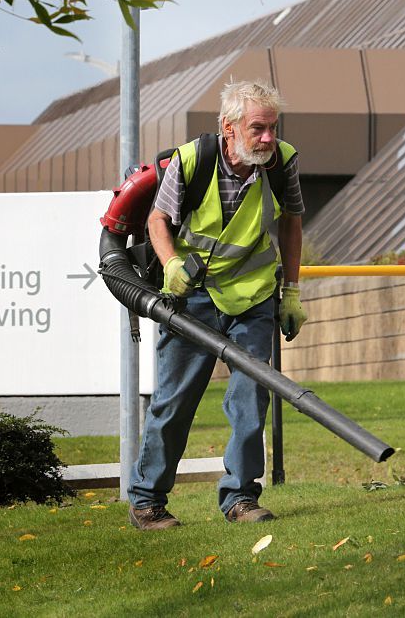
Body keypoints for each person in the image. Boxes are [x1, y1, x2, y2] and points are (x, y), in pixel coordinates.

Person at [127, 79, 307, 529]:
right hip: (193, 297)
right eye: (258, 129)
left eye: (272, 128)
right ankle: (147, 502)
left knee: (251, 396)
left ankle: (241, 499)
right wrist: (170, 265)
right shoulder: (192, 161)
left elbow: (292, 225)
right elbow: (157, 219)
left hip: (251, 296)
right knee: (174, 401)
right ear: (229, 128)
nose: (268, 138)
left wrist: (291, 291)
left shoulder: (281, 163)